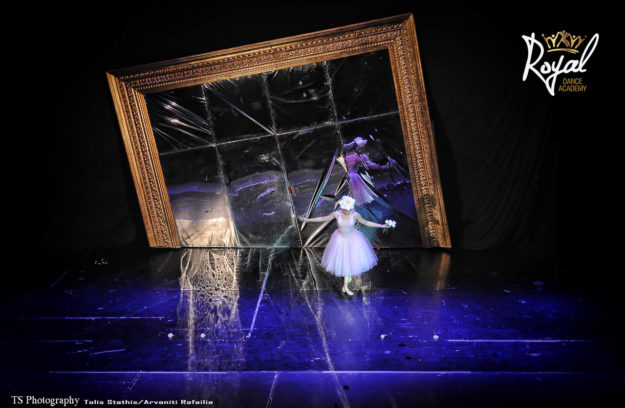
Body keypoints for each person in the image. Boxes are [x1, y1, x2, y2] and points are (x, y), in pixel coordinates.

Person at [298, 195, 395, 295]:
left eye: (348, 209)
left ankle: (346, 285)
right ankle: (346, 287)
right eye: (344, 209)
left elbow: (366, 222)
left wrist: (381, 225)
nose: (346, 211)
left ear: (351, 208)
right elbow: (323, 218)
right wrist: (307, 220)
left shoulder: (355, 215)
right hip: (340, 241)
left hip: (353, 240)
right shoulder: (337, 214)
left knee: (350, 262)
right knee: (346, 263)